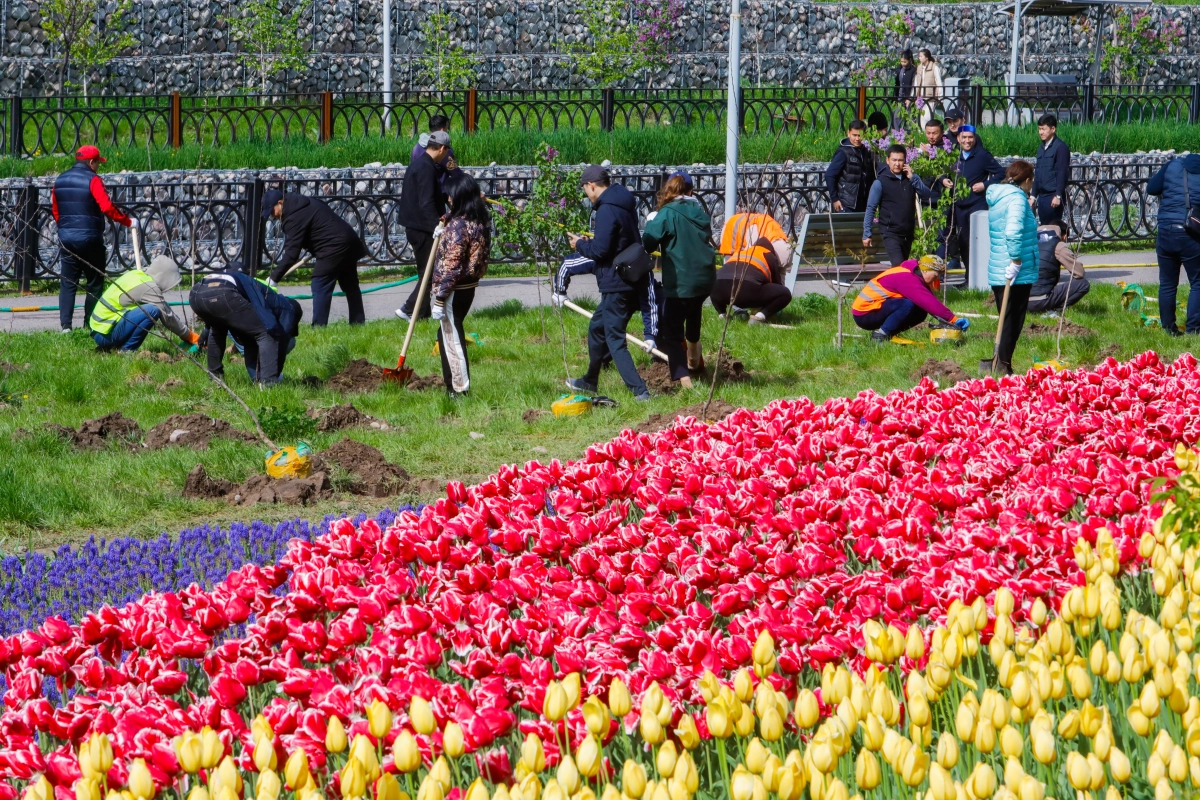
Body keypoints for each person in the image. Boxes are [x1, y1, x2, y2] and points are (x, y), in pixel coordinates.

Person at [551, 165, 651, 401]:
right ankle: (590, 381)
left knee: (615, 339)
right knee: (597, 329)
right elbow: (616, 242)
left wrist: (579, 245)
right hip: (628, 276)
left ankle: (640, 392)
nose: (586, 193)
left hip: (616, 282)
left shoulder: (607, 209)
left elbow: (600, 250)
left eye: (585, 188)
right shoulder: (624, 203)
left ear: (591, 185)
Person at [641, 171, 715, 389]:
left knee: (671, 332)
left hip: (681, 283)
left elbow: (648, 244)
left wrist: (652, 223)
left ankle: (686, 382)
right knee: (693, 312)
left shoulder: (666, 214)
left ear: (668, 191)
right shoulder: (700, 213)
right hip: (705, 280)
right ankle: (694, 361)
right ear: (691, 191)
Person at [52, 145, 136, 333]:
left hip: (66, 238)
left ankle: (66, 327)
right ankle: (89, 324)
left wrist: (65, 229)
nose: (98, 166)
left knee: (67, 283)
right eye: (98, 162)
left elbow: (56, 211)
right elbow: (106, 207)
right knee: (95, 282)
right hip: (90, 238)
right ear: (91, 162)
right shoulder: (93, 180)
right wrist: (127, 221)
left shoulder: (60, 179)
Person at [263, 189, 368, 327]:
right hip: (348, 239)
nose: (272, 215)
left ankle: (319, 327)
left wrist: (273, 279)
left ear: (281, 203)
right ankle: (358, 324)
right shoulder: (304, 202)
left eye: (272, 211)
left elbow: (291, 253)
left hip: (333, 246)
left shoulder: (293, 217)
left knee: (320, 283)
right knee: (350, 285)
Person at [190, 261, 303, 385]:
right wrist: (275, 373)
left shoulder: (249, 284)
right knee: (267, 334)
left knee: (217, 331)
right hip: (225, 292)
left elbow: (249, 339)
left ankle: (215, 379)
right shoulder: (288, 307)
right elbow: (279, 339)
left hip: (196, 293)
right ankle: (269, 385)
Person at [430, 172, 491, 399]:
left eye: (451, 196)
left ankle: (459, 390)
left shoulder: (458, 226)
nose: (448, 199)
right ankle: (452, 385)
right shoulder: (479, 218)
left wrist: (439, 299)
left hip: (454, 289)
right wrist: (445, 223)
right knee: (446, 332)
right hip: (468, 286)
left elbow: (452, 266)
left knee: (452, 336)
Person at [984, 160, 1039, 376]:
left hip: (999, 266)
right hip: (1015, 269)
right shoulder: (1016, 198)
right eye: (1031, 182)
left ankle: (1004, 363)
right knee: (1012, 321)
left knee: (1007, 318)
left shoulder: (1000, 196)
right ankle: (1002, 365)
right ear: (1026, 180)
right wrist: (1016, 260)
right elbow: (1013, 231)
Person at [396, 130, 452, 322]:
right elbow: (426, 202)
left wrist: (447, 197)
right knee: (430, 274)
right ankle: (408, 308)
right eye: (447, 152)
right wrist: (436, 227)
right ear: (442, 148)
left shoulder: (421, 164)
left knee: (425, 272)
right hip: (422, 228)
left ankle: (422, 314)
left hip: (416, 226)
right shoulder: (427, 168)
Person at [89, 255, 200, 352]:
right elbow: (167, 316)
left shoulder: (137, 275)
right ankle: (127, 350)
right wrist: (190, 336)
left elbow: (164, 306)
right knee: (152, 311)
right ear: (165, 278)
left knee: (152, 309)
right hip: (105, 335)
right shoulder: (149, 287)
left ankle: (118, 348)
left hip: (98, 331)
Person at [853, 255, 969, 342]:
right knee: (907, 305)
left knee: (920, 311)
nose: (937, 278)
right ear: (924, 270)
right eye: (935, 275)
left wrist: (948, 320)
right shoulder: (906, 278)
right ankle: (880, 337)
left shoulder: (914, 274)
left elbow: (929, 303)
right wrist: (953, 319)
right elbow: (928, 302)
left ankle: (888, 335)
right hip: (864, 315)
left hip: (873, 310)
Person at [1147, 153, 1200, 335]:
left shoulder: (1172, 165)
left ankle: (1169, 329)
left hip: (1166, 230)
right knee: (1198, 282)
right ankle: (1194, 329)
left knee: (1168, 283)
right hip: (1191, 233)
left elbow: (1152, 188)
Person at [941, 125, 1003, 278]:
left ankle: (977, 277)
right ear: (958, 138)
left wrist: (985, 184)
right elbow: (942, 171)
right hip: (959, 206)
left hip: (977, 205)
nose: (967, 141)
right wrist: (944, 179)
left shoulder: (982, 155)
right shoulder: (954, 155)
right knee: (963, 242)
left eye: (970, 137)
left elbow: (1001, 172)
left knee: (976, 241)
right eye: (964, 137)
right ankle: (968, 277)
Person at [710, 210, 793, 324]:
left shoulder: (740, 252)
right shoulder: (768, 254)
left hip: (717, 288)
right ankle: (759, 317)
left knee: (715, 285)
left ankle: (722, 315)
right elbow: (776, 284)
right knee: (785, 293)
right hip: (746, 290)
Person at [863, 144, 933, 267]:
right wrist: (867, 233)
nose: (897, 164)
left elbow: (926, 194)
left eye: (900, 160)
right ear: (887, 161)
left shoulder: (910, 179)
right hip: (890, 232)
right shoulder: (880, 182)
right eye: (894, 160)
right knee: (899, 265)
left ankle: (895, 286)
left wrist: (914, 178)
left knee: (902, 267)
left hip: (907, 232)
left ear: (905, 161)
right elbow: (871, 208)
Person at [1028, 220, 1089, 314]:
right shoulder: (1058, 244)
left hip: (1021, 302)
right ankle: (1056, 309)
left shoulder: (1029, 242)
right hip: (1041, 300)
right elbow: (1079, 273)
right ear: (1064, 236)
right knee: (1083, 284)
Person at [825, 119, 874, 213]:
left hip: (864, 202)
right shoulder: (843, 152)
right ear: (848, 133)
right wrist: (835, 199)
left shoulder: (866, 150)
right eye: (854, 135)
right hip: (846, 204)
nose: (857, 139)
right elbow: (829, 175)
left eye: (860, 135)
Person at [1033, 114, 1070, 226]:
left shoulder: (1060, 147)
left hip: (1053, 196)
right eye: (1039, 129)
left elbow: (1062, 172)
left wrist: (1058, 195)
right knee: (1044, 229)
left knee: (1053, 229)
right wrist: (1033, 196)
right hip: (1042, 197)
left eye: (1043, 129)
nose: (1041, 132)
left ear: (1053, 129)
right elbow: (1038, 172)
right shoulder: (1041, 148)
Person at [412, 115, 458, 186]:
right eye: (447, 128)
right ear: (442, 130)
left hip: (417, 191)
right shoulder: (443, 150)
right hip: (438, 193)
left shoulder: (416, 148)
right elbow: (457, 174)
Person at [914, 49, 943, 123]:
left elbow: (939, 83)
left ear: (926, 57)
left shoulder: (934, 68)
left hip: (931, 98)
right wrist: (915, 95)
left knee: (927, 117)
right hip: (921, 98)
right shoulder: (919, 68)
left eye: (921, 56)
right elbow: (916, 82)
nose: (919, 58)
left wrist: (940, 97)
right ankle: (922, 133)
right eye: (919, 56)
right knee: (921, 118)